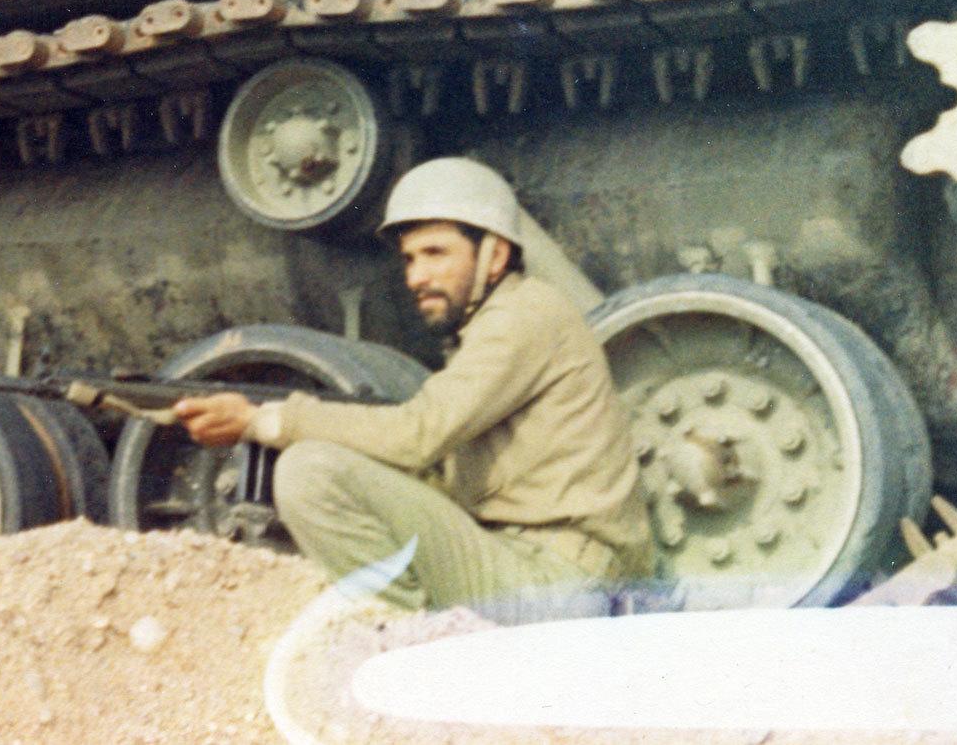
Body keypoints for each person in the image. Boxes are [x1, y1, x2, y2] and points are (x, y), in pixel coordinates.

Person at [174, 157, 654, 623]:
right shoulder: (505, 320)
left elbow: (419, 434)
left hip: (559, 584)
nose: (415, 277)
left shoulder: (521, 316)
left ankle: (407, 647)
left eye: (436, 253)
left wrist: (265, 420)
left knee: (311, 472)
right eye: (409, 258)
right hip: (554, 575)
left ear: (495, 256)